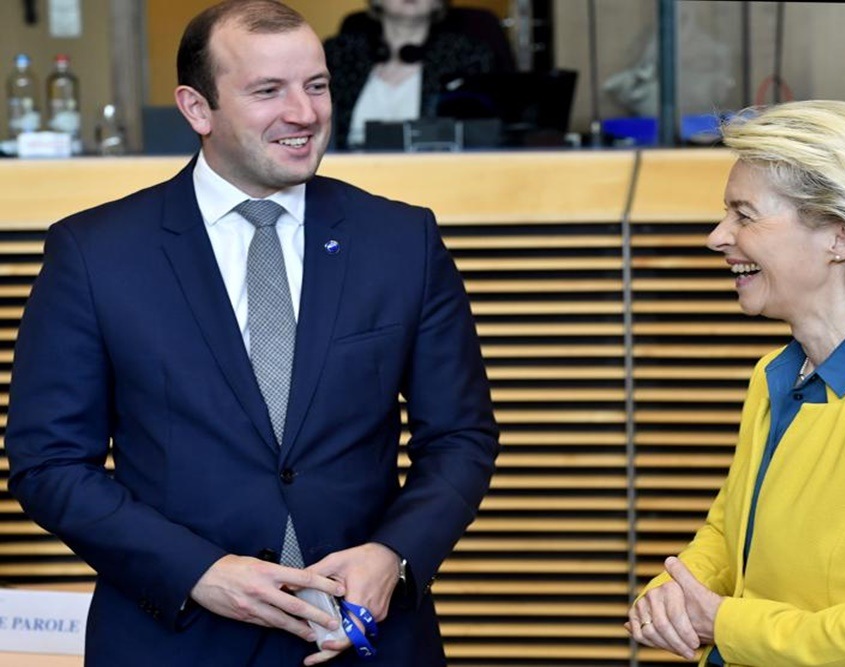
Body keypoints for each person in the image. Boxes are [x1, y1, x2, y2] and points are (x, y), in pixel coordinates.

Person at [6, 1, 499, 665]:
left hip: (367, 638)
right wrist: (198, 571)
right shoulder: (95, 253)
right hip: (174, 639)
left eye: (316, 85)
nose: (304, 113)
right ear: (197, 109)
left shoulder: (402, 240)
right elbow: (49, 461)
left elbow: (461, 435)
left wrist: (394, 554)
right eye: (268, 91)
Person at [626, 100, 845, 666]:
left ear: (840, 237)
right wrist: (675, 590)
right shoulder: (774, 375)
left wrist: (725, 623)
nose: (717, 237)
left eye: (744, 215)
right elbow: (731, 532)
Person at [323, 0, 515, 150]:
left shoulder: (468, 56)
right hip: (348, 177)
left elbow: (483, 136)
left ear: (438, 2)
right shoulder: (339, 54)